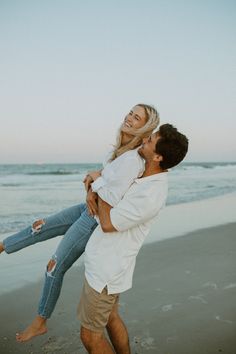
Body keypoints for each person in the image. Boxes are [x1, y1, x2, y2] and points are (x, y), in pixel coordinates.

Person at [0, 104, 160, 342]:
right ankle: (3, 245)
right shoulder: (117, 150)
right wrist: (90, 186)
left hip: (94, 220)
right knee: (39, 226)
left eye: (136, 118)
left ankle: (40, 321)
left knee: (54, 266)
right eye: (130, 112)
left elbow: (112, 197)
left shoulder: (132, 160)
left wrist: (94, 183)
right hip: (87, 208)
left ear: (144, 127)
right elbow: (100, 178)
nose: (129, 118)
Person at [77, 124, 189, 354]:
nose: (144, 140)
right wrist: (97, 189)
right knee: (111, 317)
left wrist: (98, 183)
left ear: (158, 156)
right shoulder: (142, 176)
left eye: (150, 140)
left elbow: (108, 224)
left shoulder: (150, 195)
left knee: (90, 337)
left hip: (106, 271)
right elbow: (108, 207)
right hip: (110, 264)